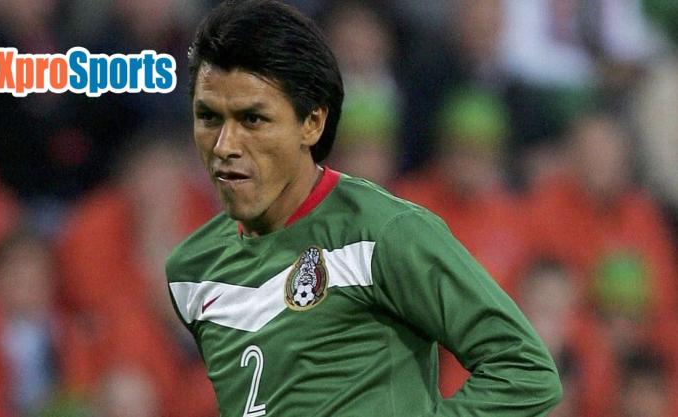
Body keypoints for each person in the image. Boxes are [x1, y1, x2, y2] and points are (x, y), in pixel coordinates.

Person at [166, 1, 562, 416]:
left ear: (312, 123)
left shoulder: (389, 232)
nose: (225, 145)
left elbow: (525, 369)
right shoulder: (192, 270)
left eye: (253, 119)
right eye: (208, 117)